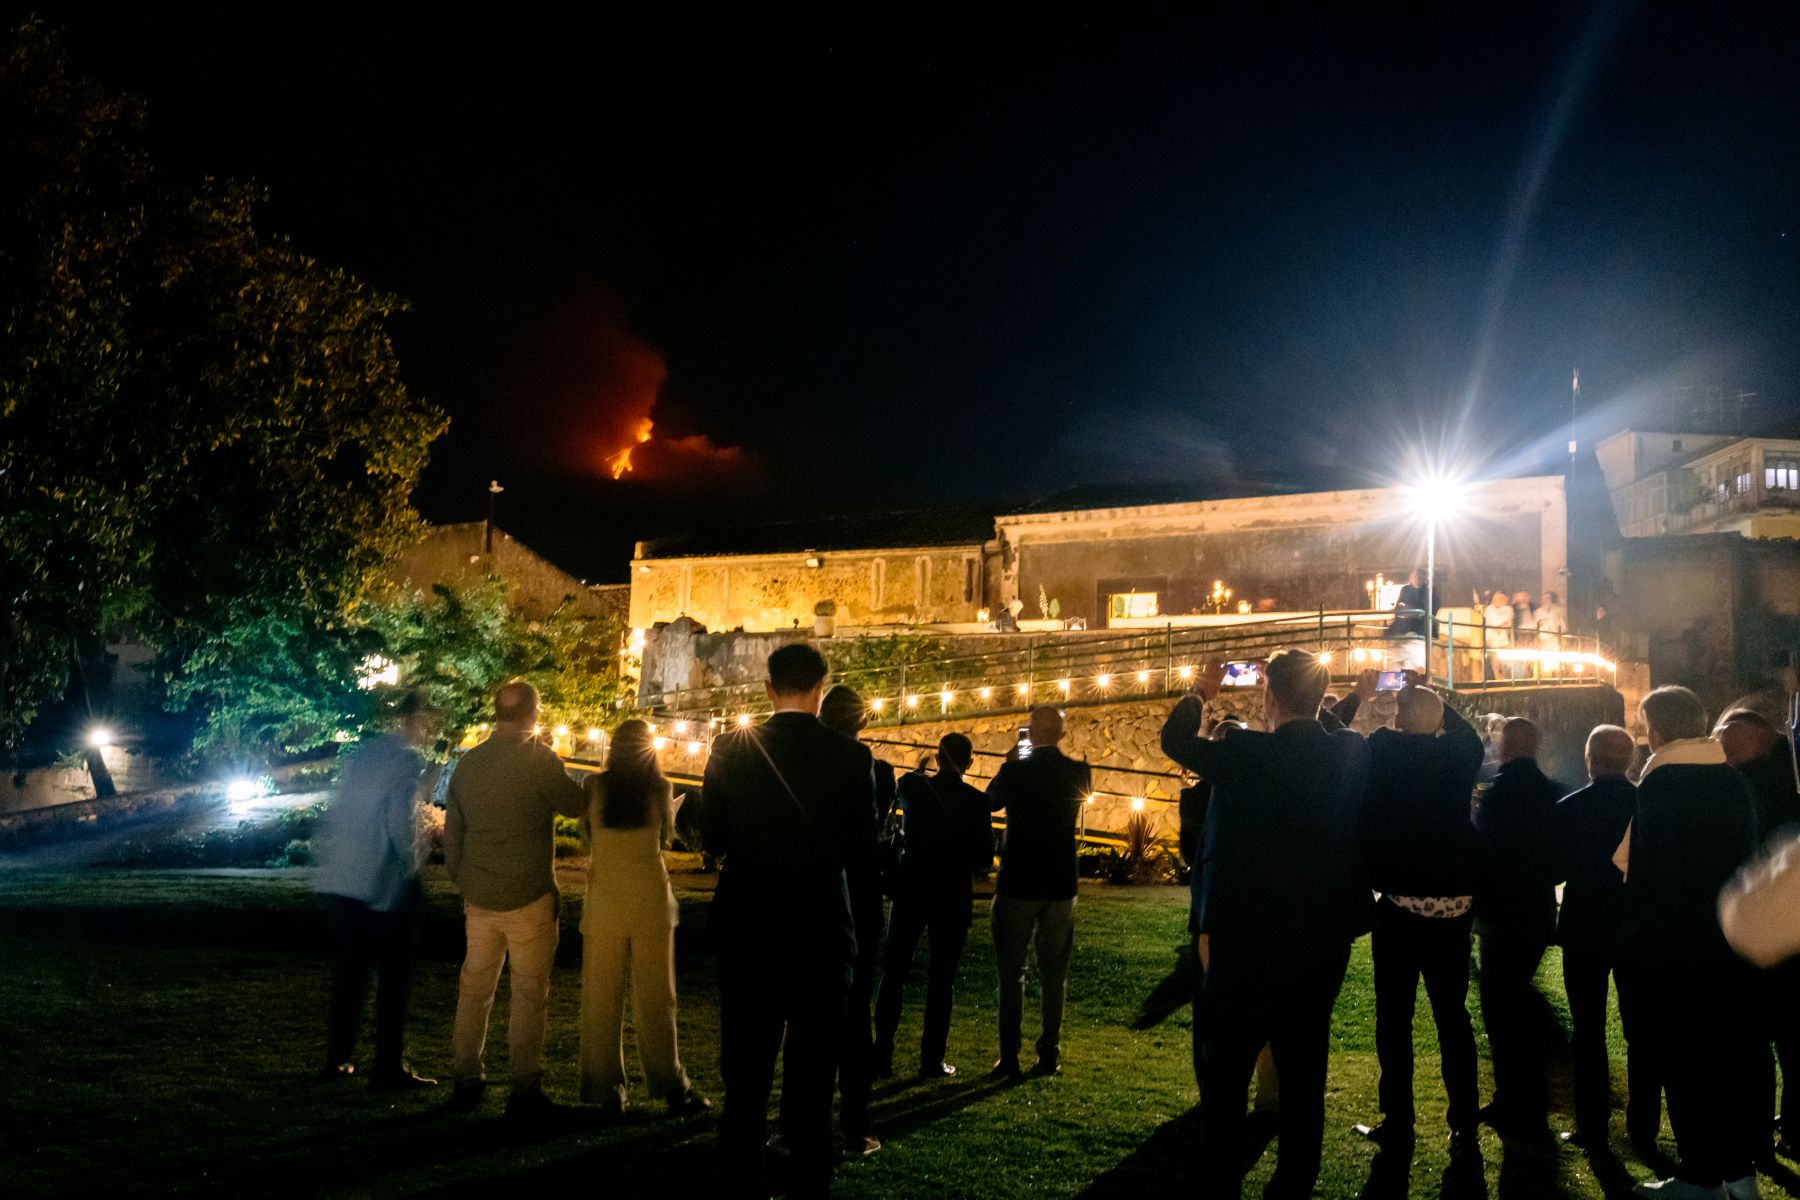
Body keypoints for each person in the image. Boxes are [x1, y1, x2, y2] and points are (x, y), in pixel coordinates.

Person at [1160, 650, 1370, 1199]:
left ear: (1268, 697)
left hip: (1247, 937)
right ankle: (1295, 1180)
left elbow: (1177, 743)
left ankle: (1221, 1175)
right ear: (1321, 699)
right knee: (1304, 1065)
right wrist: (1326, 701)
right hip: (1321, 937)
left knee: (1227, 1066)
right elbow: (1322, 735)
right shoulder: (1348, 751)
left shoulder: (1246, 752)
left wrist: (1201, 691)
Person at [701, 644, 877, 1200]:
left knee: (746, 1075)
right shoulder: (852, 758)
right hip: (821, 927)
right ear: (821, 689)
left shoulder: (730, 748)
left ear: (770, 688)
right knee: (814, 1074)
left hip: (750, 923)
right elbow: (860, 848)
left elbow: (714, 837)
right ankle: (809, 1185)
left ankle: (740, 1183)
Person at [1623, 686, 1762, 1199]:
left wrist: (1643, 943)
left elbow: (1654, 877)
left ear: (1657, 729)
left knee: (1684, 1060)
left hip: (1677, 949)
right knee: (1728, 1060)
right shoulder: (1731, 780)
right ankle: (1739, 1173)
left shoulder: (1661, 783)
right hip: (1728, 939)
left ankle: (1699, 1175)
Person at [1350, 672, 1485, 1148]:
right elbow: (1468, 731)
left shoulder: (1386, 750)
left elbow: (1357, 738)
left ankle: (1399, 1121)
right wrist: (1433, 694)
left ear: (1401, 720)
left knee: (1395, 1018)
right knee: (1452, 1016)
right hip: (1454, 905)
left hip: (1402, 904)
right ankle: (1464, 1120)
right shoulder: (1460, 756)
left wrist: (1387, 699)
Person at [445, 681, 588, 1118]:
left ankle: (467, 1075)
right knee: (528, 994)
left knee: (475, 989)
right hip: (528, 897)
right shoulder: (539, 760)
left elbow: (454, 835)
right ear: (534, 712)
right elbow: (576, 804)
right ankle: (524, 1087)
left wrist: (464, 879)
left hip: (480, 897)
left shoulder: (469, 764)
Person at [577, 718, 709, 1117]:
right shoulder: (660, 790)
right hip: (650, 899)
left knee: (601, 999)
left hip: (605, 900)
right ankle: (669, 1082)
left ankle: (605, 1088)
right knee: (657, 999)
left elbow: (587, 837)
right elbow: (666, 836)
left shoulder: (594, 788)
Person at [313, 689, 436, 1090]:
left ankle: (338, 1059)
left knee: (351, 975)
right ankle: (387, 1066)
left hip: (345, 878)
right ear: (415, 719)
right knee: (393, 978)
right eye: (429, 721)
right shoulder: (406, 760)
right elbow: (400, 821)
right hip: (383, 883)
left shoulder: (364, 753)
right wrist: (414, 861)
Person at [1552, 725, 1657, 1152]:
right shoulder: (1646, 804)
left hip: (1585, 929)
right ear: (1630, 759)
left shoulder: (1570, 808)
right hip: (1636, 929)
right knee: (1642, 1031)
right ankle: (1643, 1126)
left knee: (1588, 1029)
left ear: (1590, 758)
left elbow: (1555, 870)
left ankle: (1592, 1125)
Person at [872, 733, 995, 1079]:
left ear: (939, 758)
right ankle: (931, 1059)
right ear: (970, 762)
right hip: (951, 893)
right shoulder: (976, 802)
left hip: (912, 887)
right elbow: (984, 859)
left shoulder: (913, 787)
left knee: (894, 971)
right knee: (941, 980)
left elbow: (904, 783)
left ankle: (882, 1053)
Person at [986, 705, 1091, 1079]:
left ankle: (1008, 1055)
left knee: (1011, 971)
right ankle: (1049, 1052)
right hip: (1061, 881)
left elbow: (990, 801)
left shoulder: (1015, 771)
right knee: (1054, 973)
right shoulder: (1078, 771)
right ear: (1062, 734)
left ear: (1030, 730)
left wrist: (1010, 761)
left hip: (1018, 878)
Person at [1716, 706, 1800, 1164]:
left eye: (1728, 735)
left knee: (1766, 1039)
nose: (1721, 744)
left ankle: (1771, 1133)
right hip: (1779, 924)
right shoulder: (1775, 774)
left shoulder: (1760, 783)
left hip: (1773, 925)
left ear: (1752, 736)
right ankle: (1783, 1128)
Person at [814, 684, 893, 1158]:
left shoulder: (799, 759)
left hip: (812, 896)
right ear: (861, 722)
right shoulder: (872, 768)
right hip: (856, 896)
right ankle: (855, 1123)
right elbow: (868, 835)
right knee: (854, 1013)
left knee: (809, 1014)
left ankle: (801, 1121)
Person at [1472, 717, 1560, 1138]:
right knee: (1517, 997)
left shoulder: (1498, 792)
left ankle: (1514, 1096)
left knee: (1501, 1009)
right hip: (1537, 911)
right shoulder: (1551, 792)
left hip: (1501, 914)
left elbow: (1483, 851)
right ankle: (1532, 1091)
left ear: (1507, 746)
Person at [1481, 590, 1514, 681]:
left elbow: (1509, 623)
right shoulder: (1490, 609)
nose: (1504, 601)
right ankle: (1495, 678)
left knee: (1503, 661)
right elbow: (1497, 622)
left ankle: (1502, 678)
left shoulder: (1506, 610)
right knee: (1494, 661)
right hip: (1492, 640)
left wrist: (1501, 625)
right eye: (1501, 599)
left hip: (1502, 641)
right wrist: (1502, 624)